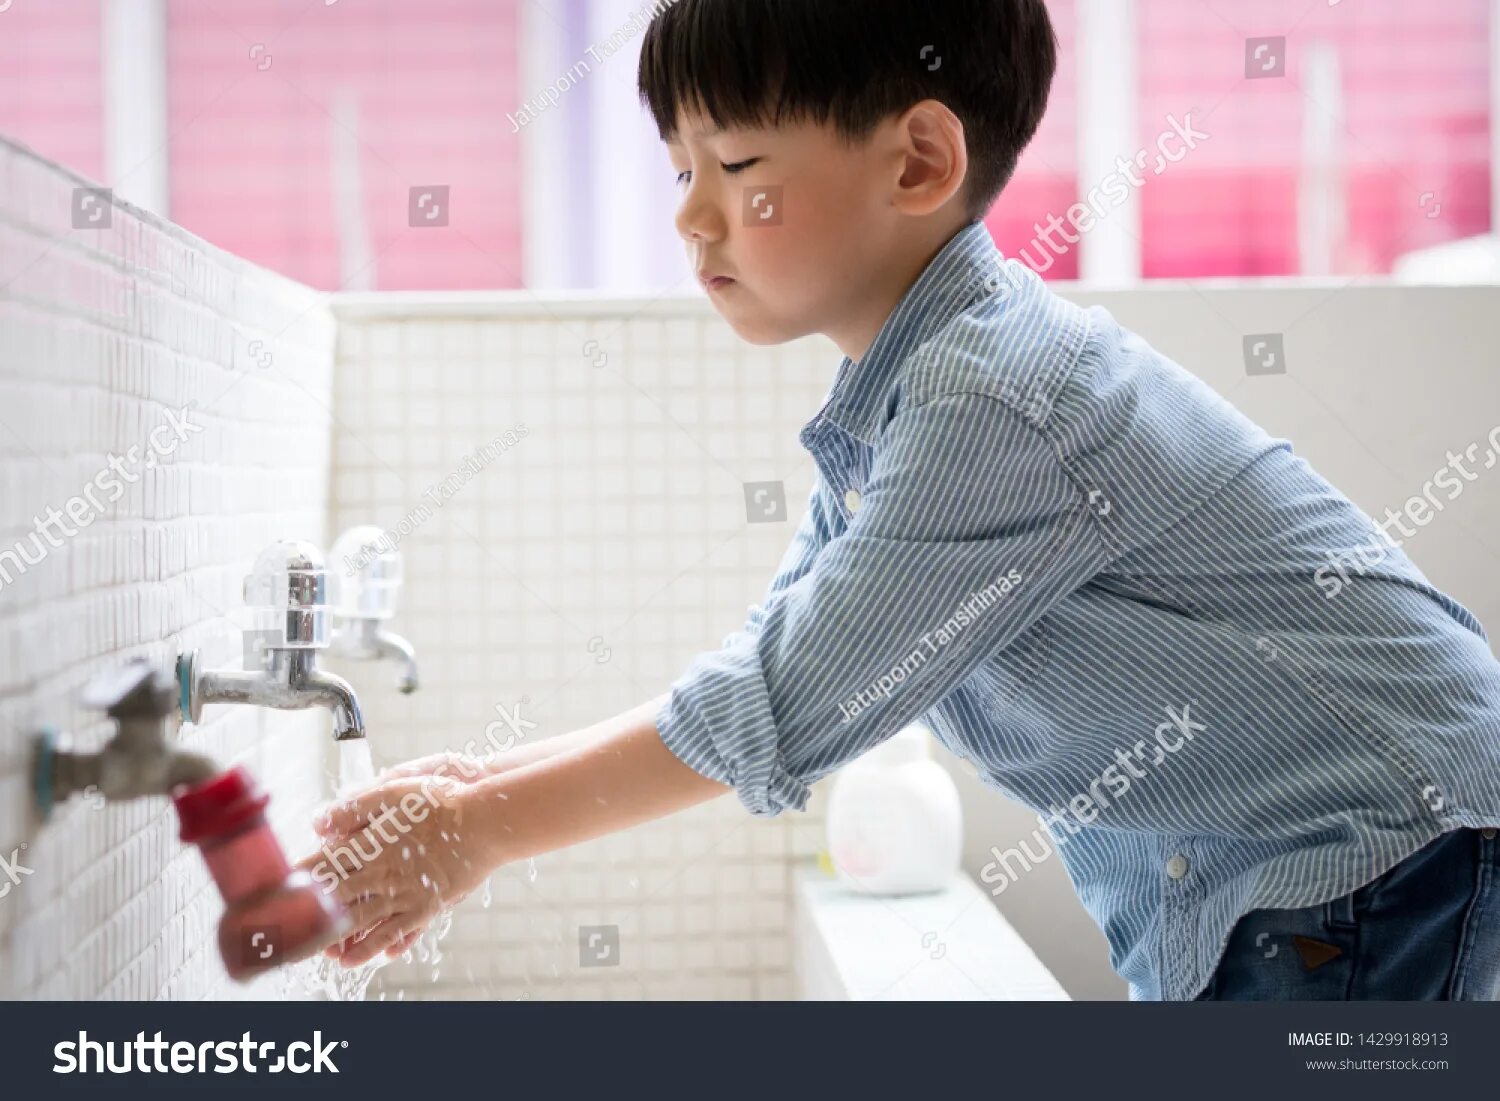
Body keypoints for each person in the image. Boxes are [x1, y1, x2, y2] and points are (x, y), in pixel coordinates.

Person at [299, 0, 1500, 1000]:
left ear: (920, 161)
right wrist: (467, 796)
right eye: (681, 169)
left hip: (1383, 851)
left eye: (738, 165)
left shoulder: (995, 396)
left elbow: (790, 701)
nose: (690, 214)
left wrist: (480, 832)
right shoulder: (907, 402)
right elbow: (770, 663)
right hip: (1332, 862)